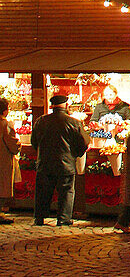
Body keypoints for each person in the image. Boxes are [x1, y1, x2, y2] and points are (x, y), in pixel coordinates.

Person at [30, 92, 90, 227]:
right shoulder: (74, 122)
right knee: (66, 192)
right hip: (66, 163)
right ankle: (63, 218)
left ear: (52, 105)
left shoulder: (41, 121)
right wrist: (75, 155)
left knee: (43, 192)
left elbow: (34, 142)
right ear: (65, 105)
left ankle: (39, 217)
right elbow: (84, 143)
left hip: (44, 163)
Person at [0, 97, 20, 223]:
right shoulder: (5, 125)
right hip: (3, 160)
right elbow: (13, 144)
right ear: (5, 111)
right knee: (2, 186)